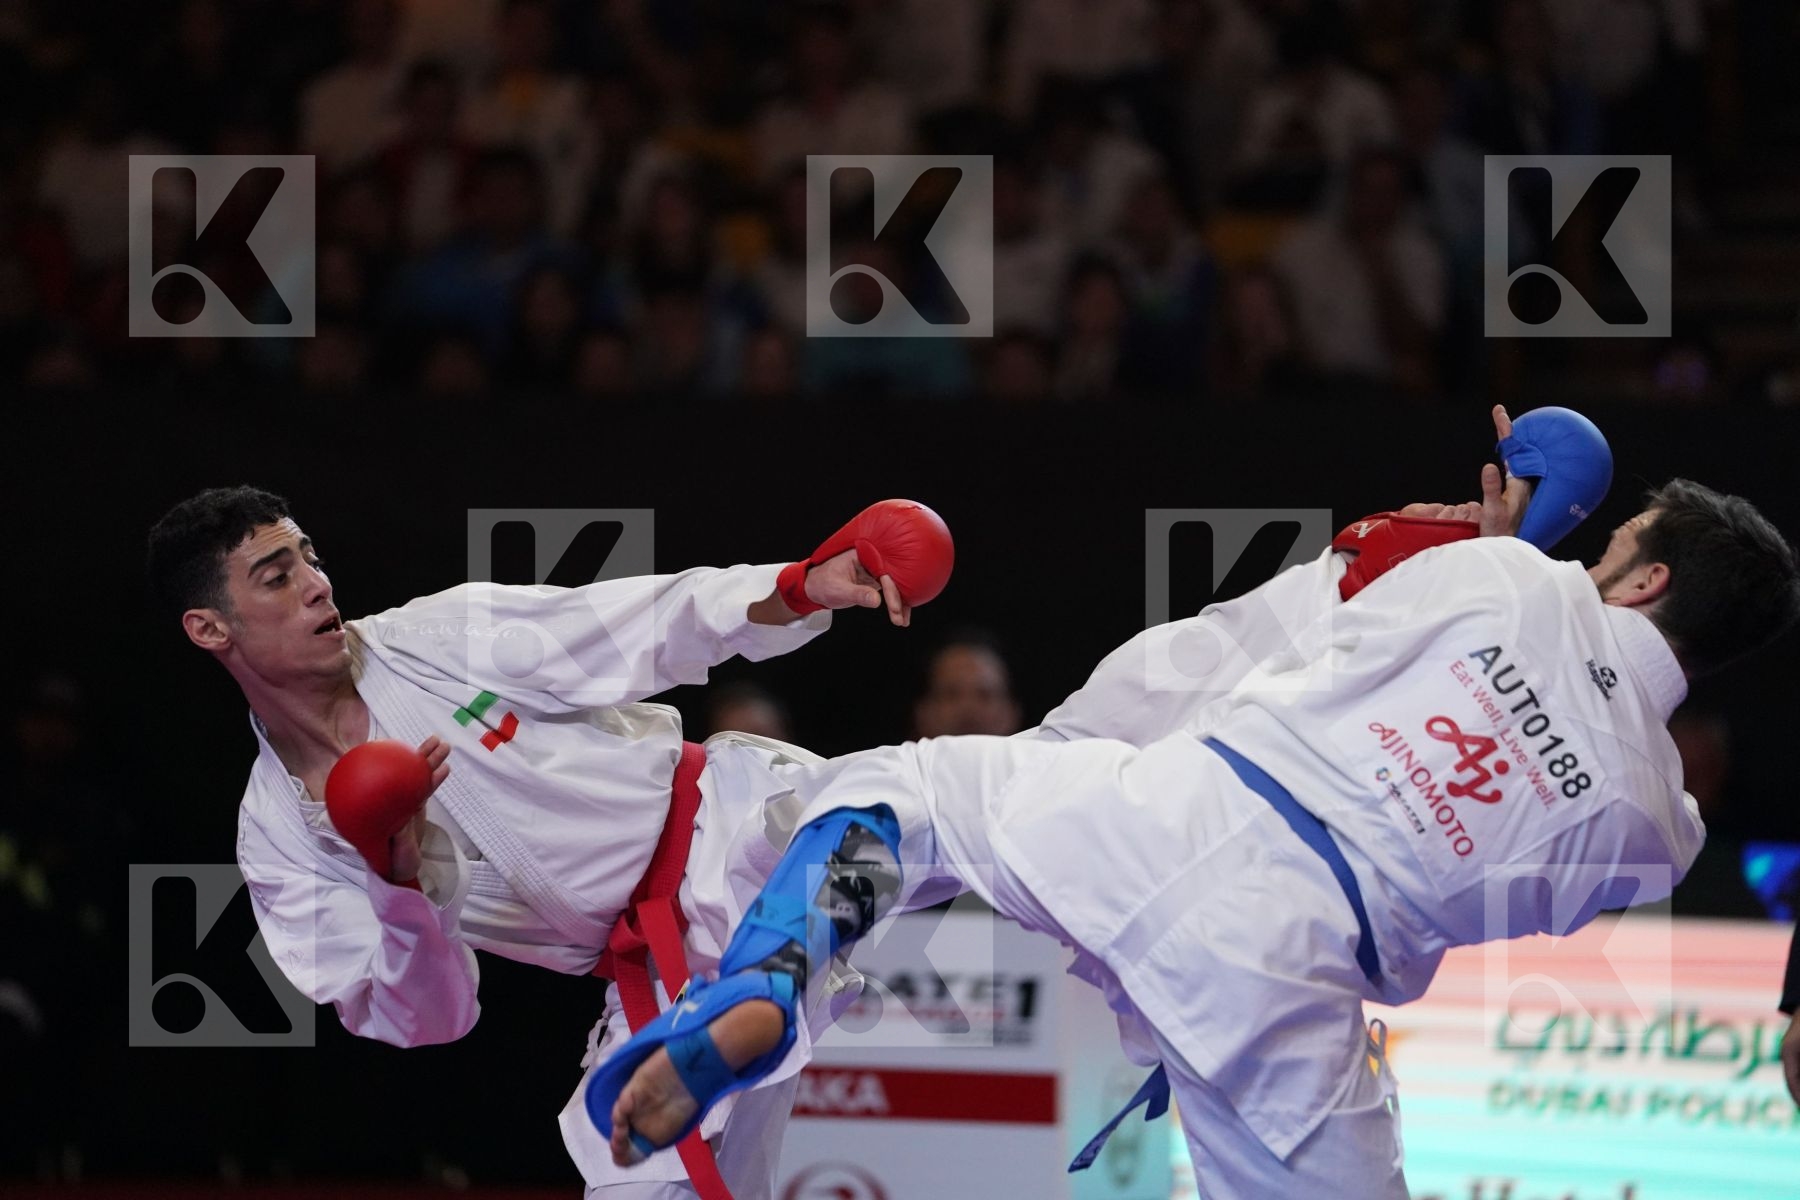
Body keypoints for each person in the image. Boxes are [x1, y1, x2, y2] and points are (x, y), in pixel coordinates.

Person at [592, 458, 1800, 1199]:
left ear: (1642, 581)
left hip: (1160, 810)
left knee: (896, 802)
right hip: (1292, 981)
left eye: (1614, 551)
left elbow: (1322, 630)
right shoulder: (1662, 825)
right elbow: (1520, 894)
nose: (1589, 560)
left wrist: (1471, 552)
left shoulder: (1513, 577)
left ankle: (776, 971)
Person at [146, 489, 949, 1200]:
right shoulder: (282, 839)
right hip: (655, 974)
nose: (317, 583)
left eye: (308, 558)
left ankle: (1066, 758)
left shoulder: (433, 638)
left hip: (736, 825)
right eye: (276, 576)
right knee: (638, 1174)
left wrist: (797, 585)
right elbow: (429, 1018)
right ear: (209, 626)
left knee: (943, 812)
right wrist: (400, 887)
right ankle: (747, 999)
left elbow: (648, 624)